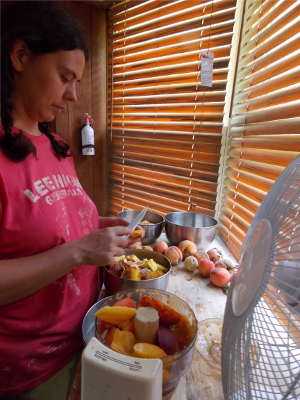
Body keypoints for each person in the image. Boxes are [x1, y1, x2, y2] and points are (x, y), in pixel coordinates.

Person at [0, 2, 143, 399]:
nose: (73, 96)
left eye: (77, 81)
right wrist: (81, 252)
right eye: (65, 77)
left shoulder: (56, 146)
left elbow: (52, 226)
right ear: (21, 55)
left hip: (86, 336)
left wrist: (102, 230)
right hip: (28, 370)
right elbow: (67, 248)